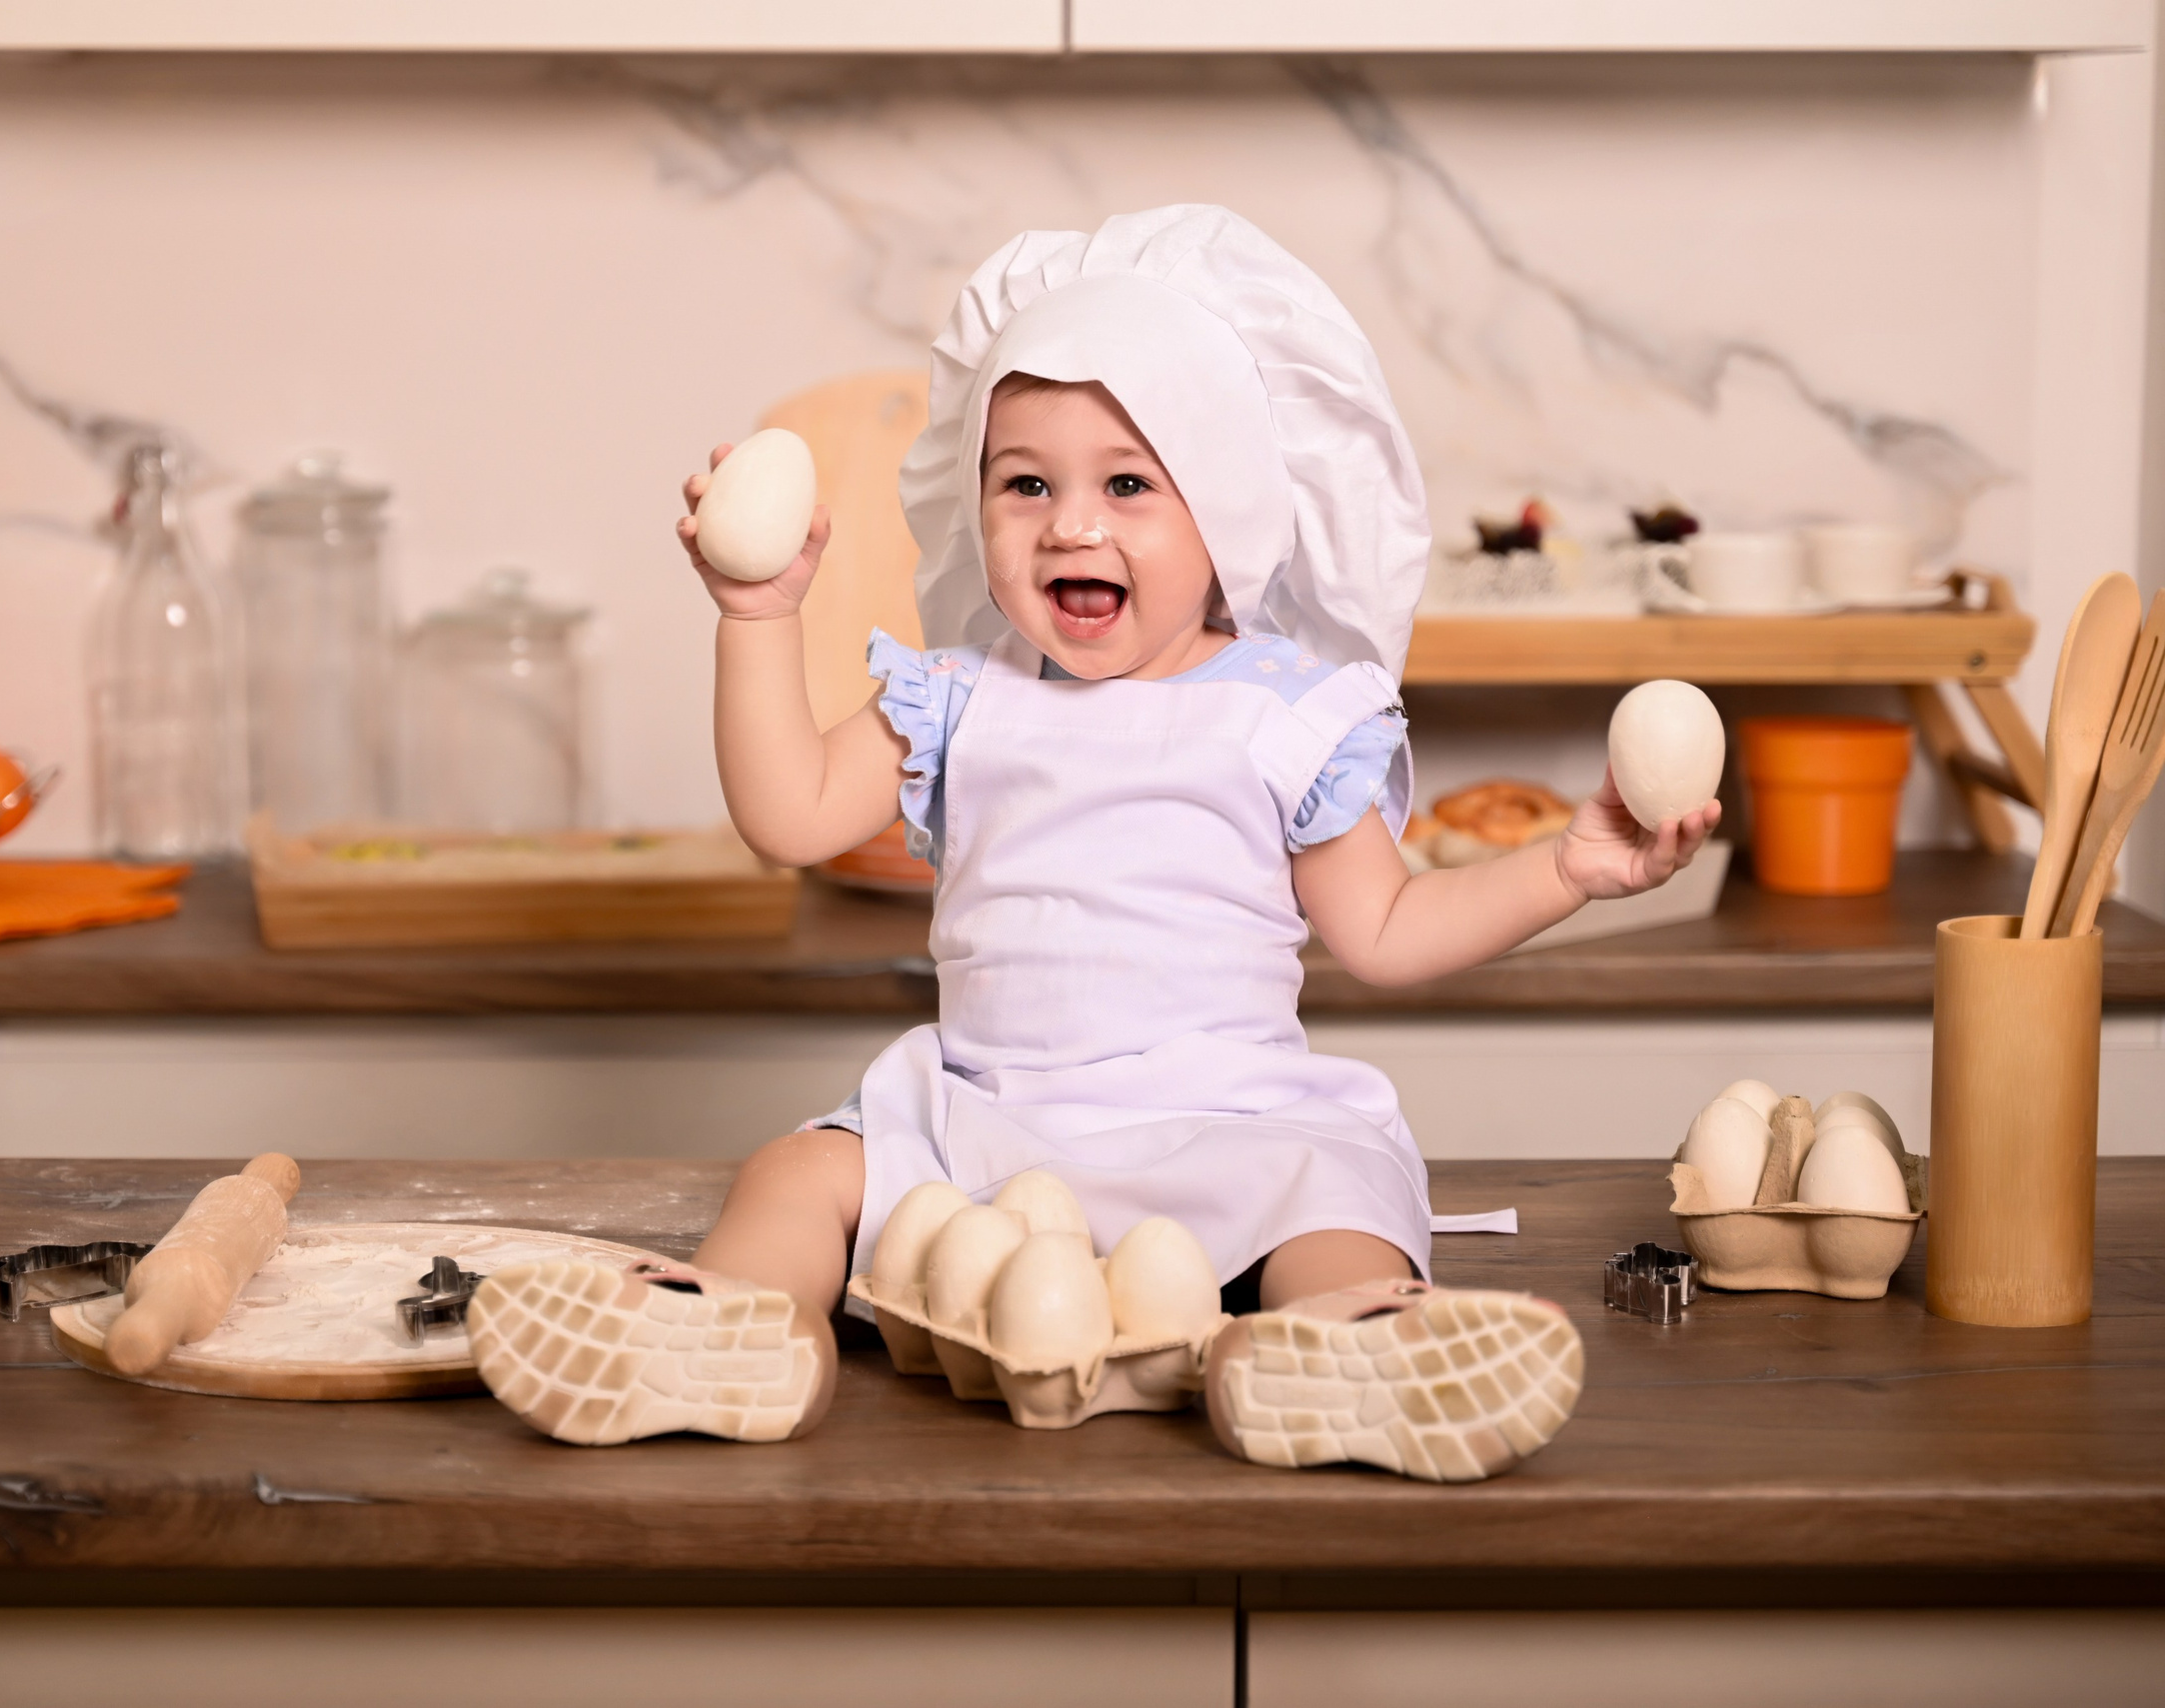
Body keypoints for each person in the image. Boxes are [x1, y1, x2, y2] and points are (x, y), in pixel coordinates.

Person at [466, 205, 1718, 1480]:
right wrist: (756, 615)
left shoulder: (1282, 710)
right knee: (799, 1171)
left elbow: (1387, 933)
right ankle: (733, 1335)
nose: (1069, 525)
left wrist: (1568, 867)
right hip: (991, 1118)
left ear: (1222, 509)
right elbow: (786, 814)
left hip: (1226, 1117)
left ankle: (1354, 1347)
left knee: (1334, 1197)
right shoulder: (958, 693)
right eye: (1025, 483)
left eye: (1127, 482)